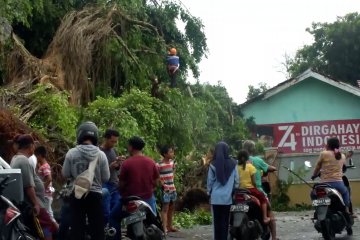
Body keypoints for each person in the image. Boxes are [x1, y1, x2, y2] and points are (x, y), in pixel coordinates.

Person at [62, 122, 110, 240]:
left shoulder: (71, 153)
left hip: (77, 194)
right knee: (97, 229)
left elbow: (65, 174)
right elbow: (106, 178)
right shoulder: (101, 155)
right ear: (95, 136)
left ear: (79, 135)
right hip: (95, 196)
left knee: (77, 228)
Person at [109, 136, 160, 239]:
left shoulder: (127, 163)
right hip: (147, 200)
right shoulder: (151, 162)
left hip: (129, 201)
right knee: (155, 221)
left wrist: (120, 190)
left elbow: (121, 184)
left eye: (128, 145)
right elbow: (157, 182)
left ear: (131, 147)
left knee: (113, 217)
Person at [11, 134, 58, 240]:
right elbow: (29, 186)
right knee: (46, 227)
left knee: (41, 229)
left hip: (32, 203)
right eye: (33, 146)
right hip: (34, 204)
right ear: (31, 146)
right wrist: (36, 203)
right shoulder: (23, 160)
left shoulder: (17, 158)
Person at [243, 140, 277, 240]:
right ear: (252, 149)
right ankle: (274, 237)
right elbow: (271, 168)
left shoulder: (238, 161)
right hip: (255, 190)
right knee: (269, 210)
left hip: (240, 191)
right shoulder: (257, 160)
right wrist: (271, 168)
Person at [207, 141, 239, 240]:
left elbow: (210, 182)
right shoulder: (234, 163)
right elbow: (237, 181)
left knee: (216, 223)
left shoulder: (212, 164)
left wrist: (209, 193)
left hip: (215, 198)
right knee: (225, 222)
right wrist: (232, 190)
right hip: (227, 198)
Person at [311, 137, 350, 215]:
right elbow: (343, 167)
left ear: (328, 145)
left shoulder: (324, 153)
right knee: (346, 192)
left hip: (324, 184)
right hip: (338, 184)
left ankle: (317, 209)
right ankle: (347, 211)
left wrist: (313, 175)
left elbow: (318, 166)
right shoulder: (342, 155)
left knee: (312, 193)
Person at [237, 150, 270, 224]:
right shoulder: (250, 167)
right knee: (263, 199)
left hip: (239, 190)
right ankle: (264, 218)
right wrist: (255, 188)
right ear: (247, 158)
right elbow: (254, 182)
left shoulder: (236, 167)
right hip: (250, 189)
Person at [101, 129, 122, 225]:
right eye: (112, 141)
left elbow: (117, 169)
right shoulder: (99, 152)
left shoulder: (114, 151)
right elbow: (97, 172)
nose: (114, 144)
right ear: (106, 139)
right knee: (106, 211)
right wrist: (110, 167)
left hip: (114, 184)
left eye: (115, 141)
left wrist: (118, 164)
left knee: (116, 211)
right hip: (104, 184)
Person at [158, 146, 178, 233]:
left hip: (172, 188)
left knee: (172, 207)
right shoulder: (159, 164)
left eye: (172, 152)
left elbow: (173, 170)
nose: (172, 154)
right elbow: (156, 175)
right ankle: (164, 227)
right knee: (165, 208)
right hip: (165, 189)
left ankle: (170, 226)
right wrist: (162, 184)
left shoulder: (172, 162)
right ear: (165, 154)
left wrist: (172, 176)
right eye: (170, 152)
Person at [35, 146, 55, 222]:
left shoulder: (45, 166)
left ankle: (57, 232)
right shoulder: (42, 166)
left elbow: (49, 178)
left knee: (48, 217)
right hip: (46, 195)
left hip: (46, 195)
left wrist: (42, 189)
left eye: (36, 156)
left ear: (39, 155)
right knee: (48, 215)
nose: (36, 158)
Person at [343, 150, 355, 216]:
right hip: (338, 178)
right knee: (347, 192)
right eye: (350, 154)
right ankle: (349, 211)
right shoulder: (342, 157)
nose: (350, 156)